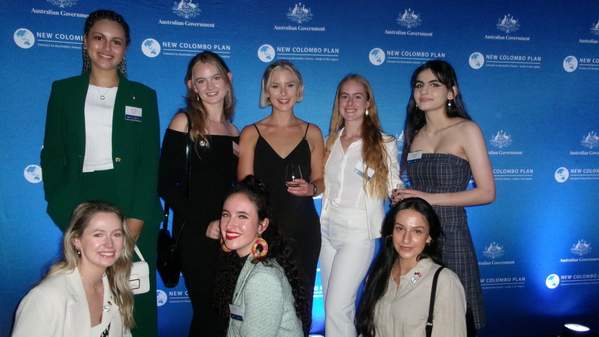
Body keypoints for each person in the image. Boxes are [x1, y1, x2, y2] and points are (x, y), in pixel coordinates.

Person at [40, 9, 162, 337]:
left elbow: (150, 162)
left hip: (133, 202)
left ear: (125, 49)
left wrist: (135, 222)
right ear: (85, 42)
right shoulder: (63, 91)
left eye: (116, 41)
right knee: (88, 296)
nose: (107, 47)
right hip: (82, 204)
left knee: (136, 301)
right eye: (99, 38)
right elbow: (52, 156)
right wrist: (65, 211)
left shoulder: (144, 96)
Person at [393, 60, 495, 334]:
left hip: (452, 234)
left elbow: (487, 193)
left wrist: (428, 198)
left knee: (457, 316)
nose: (424, 91)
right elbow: (418, 192)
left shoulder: (467, 130)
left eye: (434, 84)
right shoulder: (414, 135)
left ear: (451, 92)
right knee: (416, 313)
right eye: (419, 85)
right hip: (415, 239)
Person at [237, 60, 324, 332]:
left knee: (301, 302)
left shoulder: (313, 132)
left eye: (290, 85)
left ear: (299, 91)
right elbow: (244, 186)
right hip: (264, 230)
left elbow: (321, 180)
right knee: (261, 302)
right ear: (267, 91)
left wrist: (312, 189)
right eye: (276, 86)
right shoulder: (251, 133)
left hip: (303, 229)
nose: (283, 92)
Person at [158, 50, 239, 337]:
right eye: (201, 80)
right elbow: (166, 183)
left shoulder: (234, 131)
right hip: (195, 235)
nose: (210, 86)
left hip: (229, 236)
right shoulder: (184, 122)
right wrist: (204, 223)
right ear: (191, 85)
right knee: (208, 314)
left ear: (227, 79)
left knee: (224, 314)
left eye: (215, 77)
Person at [319, 74, 401, 337]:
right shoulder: (329, 141)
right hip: (327, 232)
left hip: (358, 234)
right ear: (338, 103)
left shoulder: (384, 143)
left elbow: (394, 186)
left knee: (336, 308)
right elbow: (321, 185)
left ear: (368, 102)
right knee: (337, 309)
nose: (350, 102)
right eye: (344, 96)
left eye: (357, 96)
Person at [12, 202, 135, 337]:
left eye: (116, 234)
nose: (109, 244)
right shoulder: (45, 298)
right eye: (98, 235)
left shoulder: (115, 287)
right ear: (76, 240)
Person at [356, 197, 467, 337]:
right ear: (391, 231)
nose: (406, 239)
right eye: (400, 228)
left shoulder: (445, 282)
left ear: (429, 237)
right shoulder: (379, 274)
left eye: (417, 231)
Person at [219, 176, 307, 337]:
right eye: (226, 215)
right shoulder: (243, 263)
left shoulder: (263, 278)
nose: (230, 225)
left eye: (242, 216)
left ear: (262, 225)